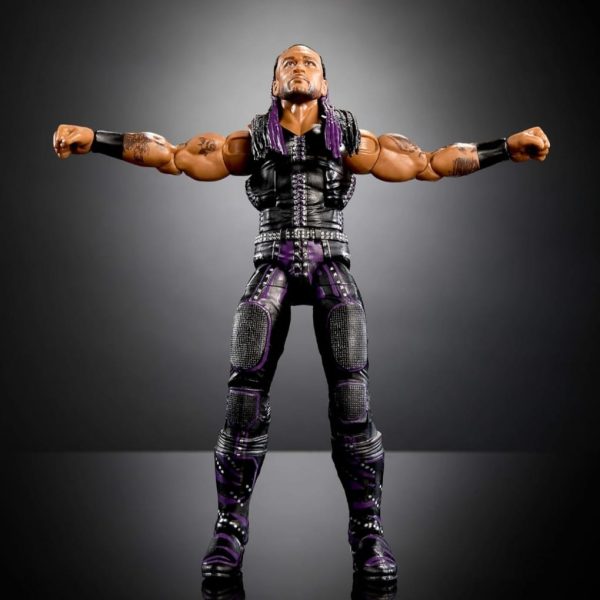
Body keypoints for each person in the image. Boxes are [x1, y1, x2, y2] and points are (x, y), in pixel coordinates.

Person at [53, 43, 550, 586]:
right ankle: (229, 528)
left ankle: (367, 530)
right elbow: (171, 155)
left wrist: (506, 147)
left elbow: (429, 163)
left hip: (329, 260)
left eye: (309, 62)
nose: (299, 66)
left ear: (324, 84)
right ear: (274, 85)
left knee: (352, 399)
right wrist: (94, 139)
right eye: (288, 63)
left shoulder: (350, 139)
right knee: (244, 394)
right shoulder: (252, 141)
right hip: (273, 260)